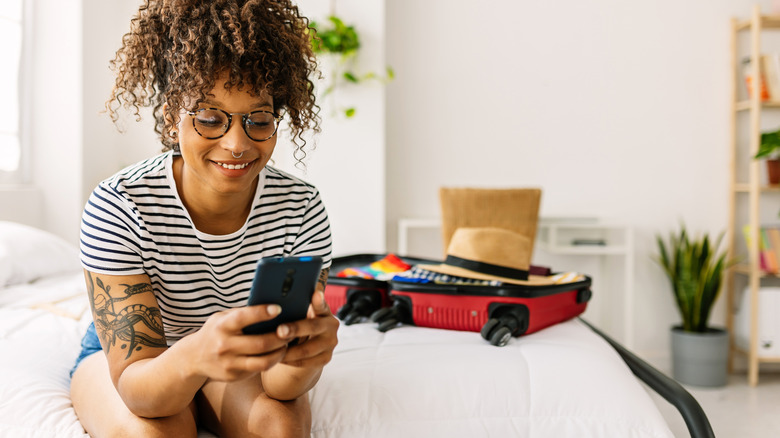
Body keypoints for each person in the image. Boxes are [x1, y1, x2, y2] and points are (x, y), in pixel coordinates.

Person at [69, 1, 338, 436]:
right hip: (136, 364)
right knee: (156, 431)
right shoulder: (122, 204)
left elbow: (280, 386)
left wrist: (303, 361)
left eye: (260, 119)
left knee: (280, 428)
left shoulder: (299, 208)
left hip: (236, 357)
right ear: (172, 115)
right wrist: (195, 355)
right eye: (210, 118)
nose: (236, 143)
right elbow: (140, 391)